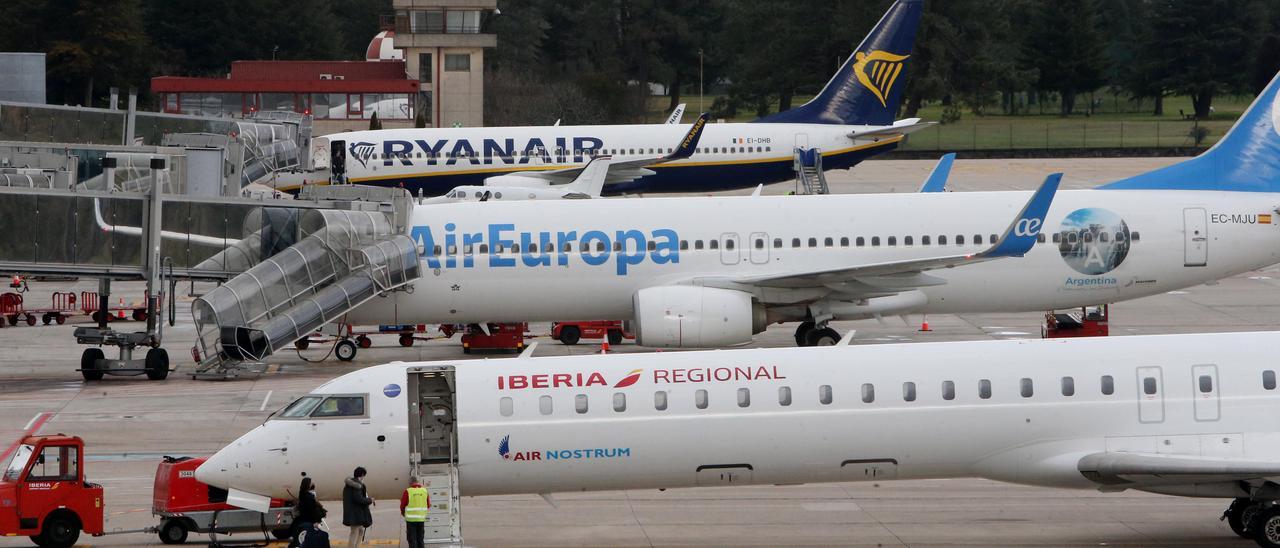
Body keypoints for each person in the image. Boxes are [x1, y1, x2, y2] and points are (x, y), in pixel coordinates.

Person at [342, 467, 374, 548]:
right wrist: (370, 500)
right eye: (364, 475)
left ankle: (356, 546)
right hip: (355, 513)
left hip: (353, 512)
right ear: (362, 475)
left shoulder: (350, 484)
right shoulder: (357, 486)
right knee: (354, 532)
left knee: (360, 531)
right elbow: (359, 499)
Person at [400, 478, 430, 548]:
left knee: (412, 540)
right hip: (421, 519)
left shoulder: (408, 491)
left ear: (410, 483)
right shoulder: (424, 491)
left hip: (411, 521)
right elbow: (428, 504)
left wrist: (403, 513)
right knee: (420, 539)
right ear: (417, 482)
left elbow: (402, 505)